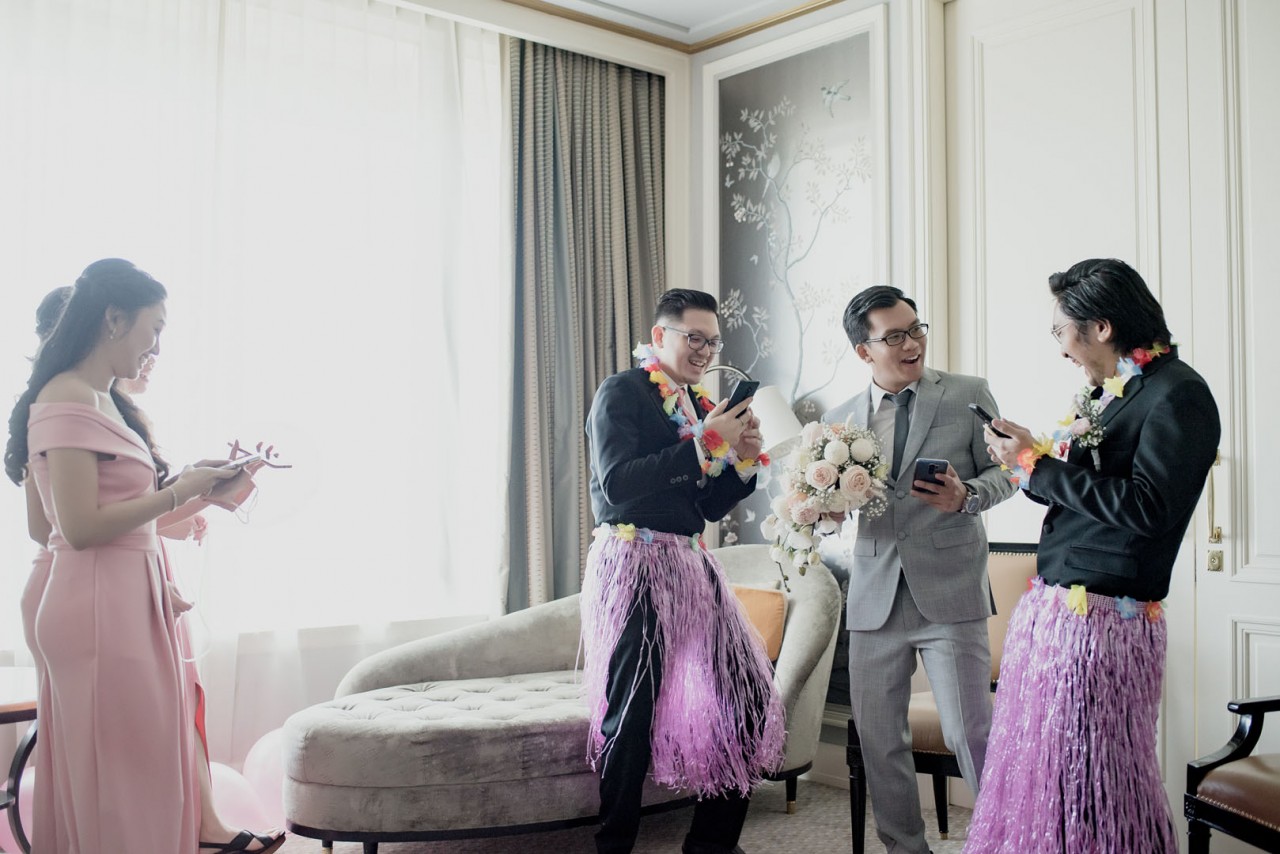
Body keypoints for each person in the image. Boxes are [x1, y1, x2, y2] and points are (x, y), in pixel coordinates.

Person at [5, 260, 281, 854]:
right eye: (153, 329)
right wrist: (181, 491)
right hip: (97, 604)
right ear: (113, 320)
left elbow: (122, 512)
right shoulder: (66, 397)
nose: (156, 346)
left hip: (126, 597)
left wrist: (208, 485)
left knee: (144, 770)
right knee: (123, 783)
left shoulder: (100, 400)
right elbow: (77, 529)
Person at [966, 258, 1220, 853]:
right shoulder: (1118, 392)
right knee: (1051, 774)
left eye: (1062, 331)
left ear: (1101, 327)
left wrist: (1037, 466)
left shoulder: (1179, 394)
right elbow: (1086, 494)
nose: (1061, 348)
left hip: (1104, 621)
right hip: (1060, 607)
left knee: (1092, 780)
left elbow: (1149, 508)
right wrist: (1027, 459)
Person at [581, 288, 785, 854]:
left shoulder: (698, 405)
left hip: (691, 565)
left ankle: (711, 846)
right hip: (635, 563)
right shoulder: (622, 392)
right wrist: (705, 442)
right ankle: (613, 847)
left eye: (713, 341)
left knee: (749, 695)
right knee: (632, 712)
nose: (705, 351)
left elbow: (707, 508)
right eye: (694, 337)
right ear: (659, 337)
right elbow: (617, 484)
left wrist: (742, 459)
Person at [819, 285, 1016, 854]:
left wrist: (967, 496)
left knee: (971, 732)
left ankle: (1006, 841)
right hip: (874, 596)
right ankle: (905, 848)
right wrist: (824, 511)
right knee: (880, 740)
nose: (913, 344)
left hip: (950, 589)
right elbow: (831, 509)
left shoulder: (967, 393)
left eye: (916, 329)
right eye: (895, 337)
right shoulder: (838, 421)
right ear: (864, 350)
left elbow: (1008, 472)